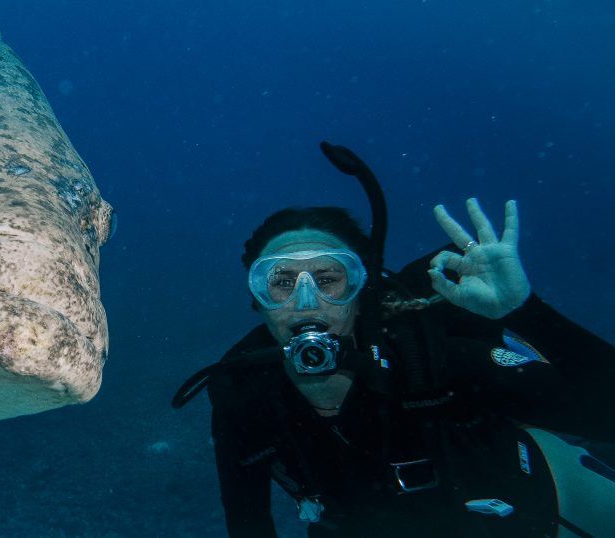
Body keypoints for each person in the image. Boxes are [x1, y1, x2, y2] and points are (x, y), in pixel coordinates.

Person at [172, 143, 615, 537]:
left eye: (329, 279)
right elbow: (247, 518)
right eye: (281, 283)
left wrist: (523, 311)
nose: (307, 304)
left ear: (362, 290)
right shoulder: (242, 391)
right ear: (257, 298)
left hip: (544, 498)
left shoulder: (424, 355)